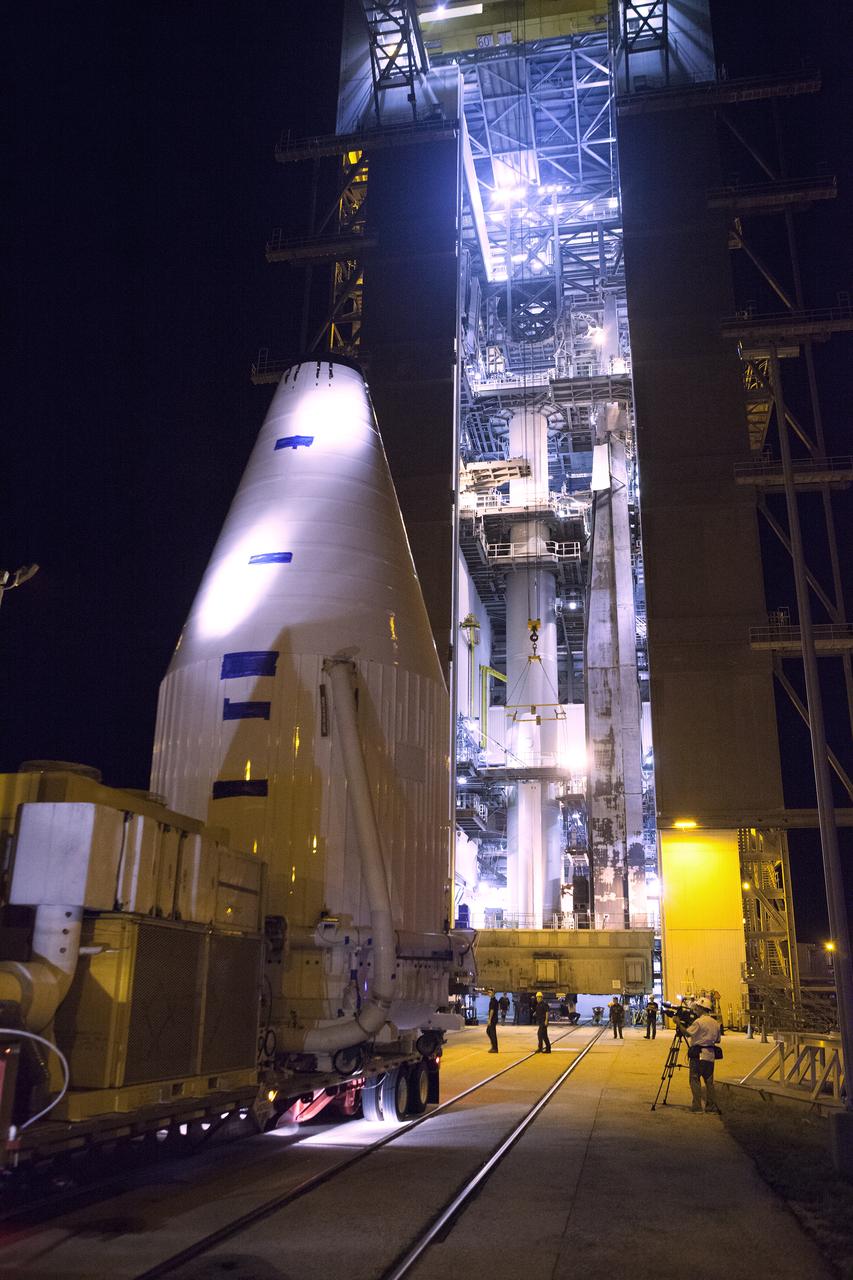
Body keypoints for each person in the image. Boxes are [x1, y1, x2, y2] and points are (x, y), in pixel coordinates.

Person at [683, 996, 721, 1112]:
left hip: (698, 1055)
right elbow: (718, 1040)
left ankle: (697, 1106)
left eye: (698, 1008)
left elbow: (687, 1033)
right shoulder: (715, 1023)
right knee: (709, 1081)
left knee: (694, 1079)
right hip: (710, 1055)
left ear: (702, 1008)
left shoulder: (698, 1022)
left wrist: (679, 1024)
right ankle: (711, 1107)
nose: (696, 1010)